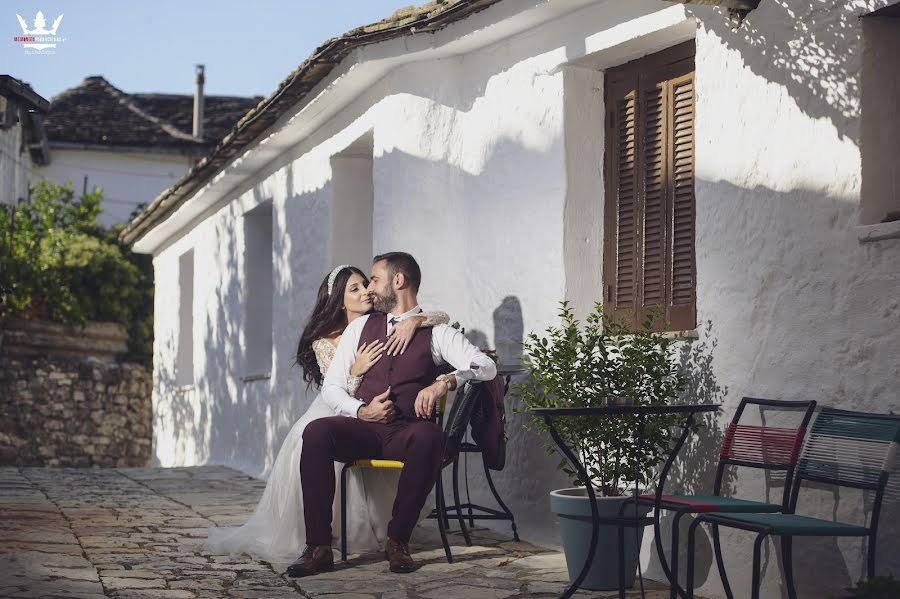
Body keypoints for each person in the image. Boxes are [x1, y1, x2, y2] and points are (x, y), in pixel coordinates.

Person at [205, 265, 448, 563]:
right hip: (339, 407)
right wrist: (356, 371)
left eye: (365, 284)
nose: (366, 292)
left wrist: (417, 321)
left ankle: (387, 532)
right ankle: (319, 539)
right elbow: (335, 389)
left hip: (382, 418)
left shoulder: (386, 323)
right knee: (316, 438)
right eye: (355, 289)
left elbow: (440, 319)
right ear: (339, 301)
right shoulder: (327, 339)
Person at [288, 252, 497, 577]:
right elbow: (331, 388)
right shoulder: (359, 328)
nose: (369, 288)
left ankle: (397, 539)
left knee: (430, 436)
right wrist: (361, 410)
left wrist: (446, 381)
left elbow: (486, 366)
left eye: (374, 279)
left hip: (407, 432)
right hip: (365, 429)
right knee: (316, 432)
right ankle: (318, 546)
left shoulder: (437, 333)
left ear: (397, 281)